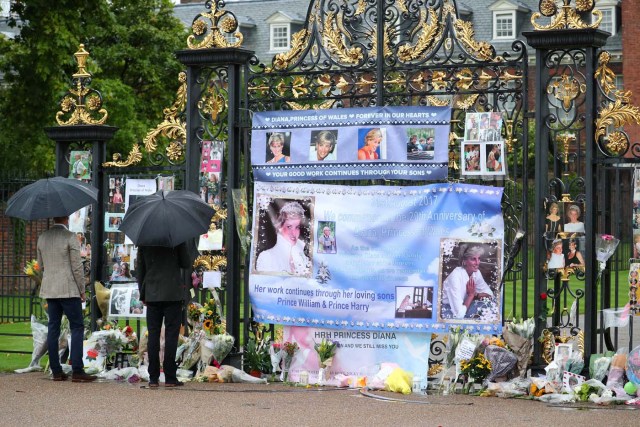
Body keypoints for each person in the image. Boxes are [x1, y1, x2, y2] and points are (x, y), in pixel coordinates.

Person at [36, 216, 96, 382]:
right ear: (67, 219)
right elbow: (77, 266)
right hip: (69, 289)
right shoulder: (70, 237)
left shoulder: (42, 237)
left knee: (53, 328)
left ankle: (56, 370)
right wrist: (82, 290)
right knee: (77, 326)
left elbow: (40, 266)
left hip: (50, 289)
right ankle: (77, 369)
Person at [137, 241, 193, 387]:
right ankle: (170, 376)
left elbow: (141, 270)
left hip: (153, 292)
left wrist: (143, 293)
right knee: (171, 335)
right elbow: (186, 263)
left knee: (153, 334)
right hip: (172, 292)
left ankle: (153, 377)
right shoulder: (176, 238)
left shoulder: (145, 241)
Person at [256, 201, 310, 276]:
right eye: (289, 227)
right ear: (280, 227)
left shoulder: (301, 257)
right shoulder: (266, 257)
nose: (294, 233)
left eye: (297, 227)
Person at [441, 245, 494, 319]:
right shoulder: (455, 276)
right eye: (473, 259)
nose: (477, 262)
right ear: (464, 261)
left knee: (490, 305)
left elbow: (490, 295)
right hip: (449, 310)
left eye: (479, 259)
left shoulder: (476, 273)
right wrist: (471, 295)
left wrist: (476, 295)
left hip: (464, 306)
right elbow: (459, 315)